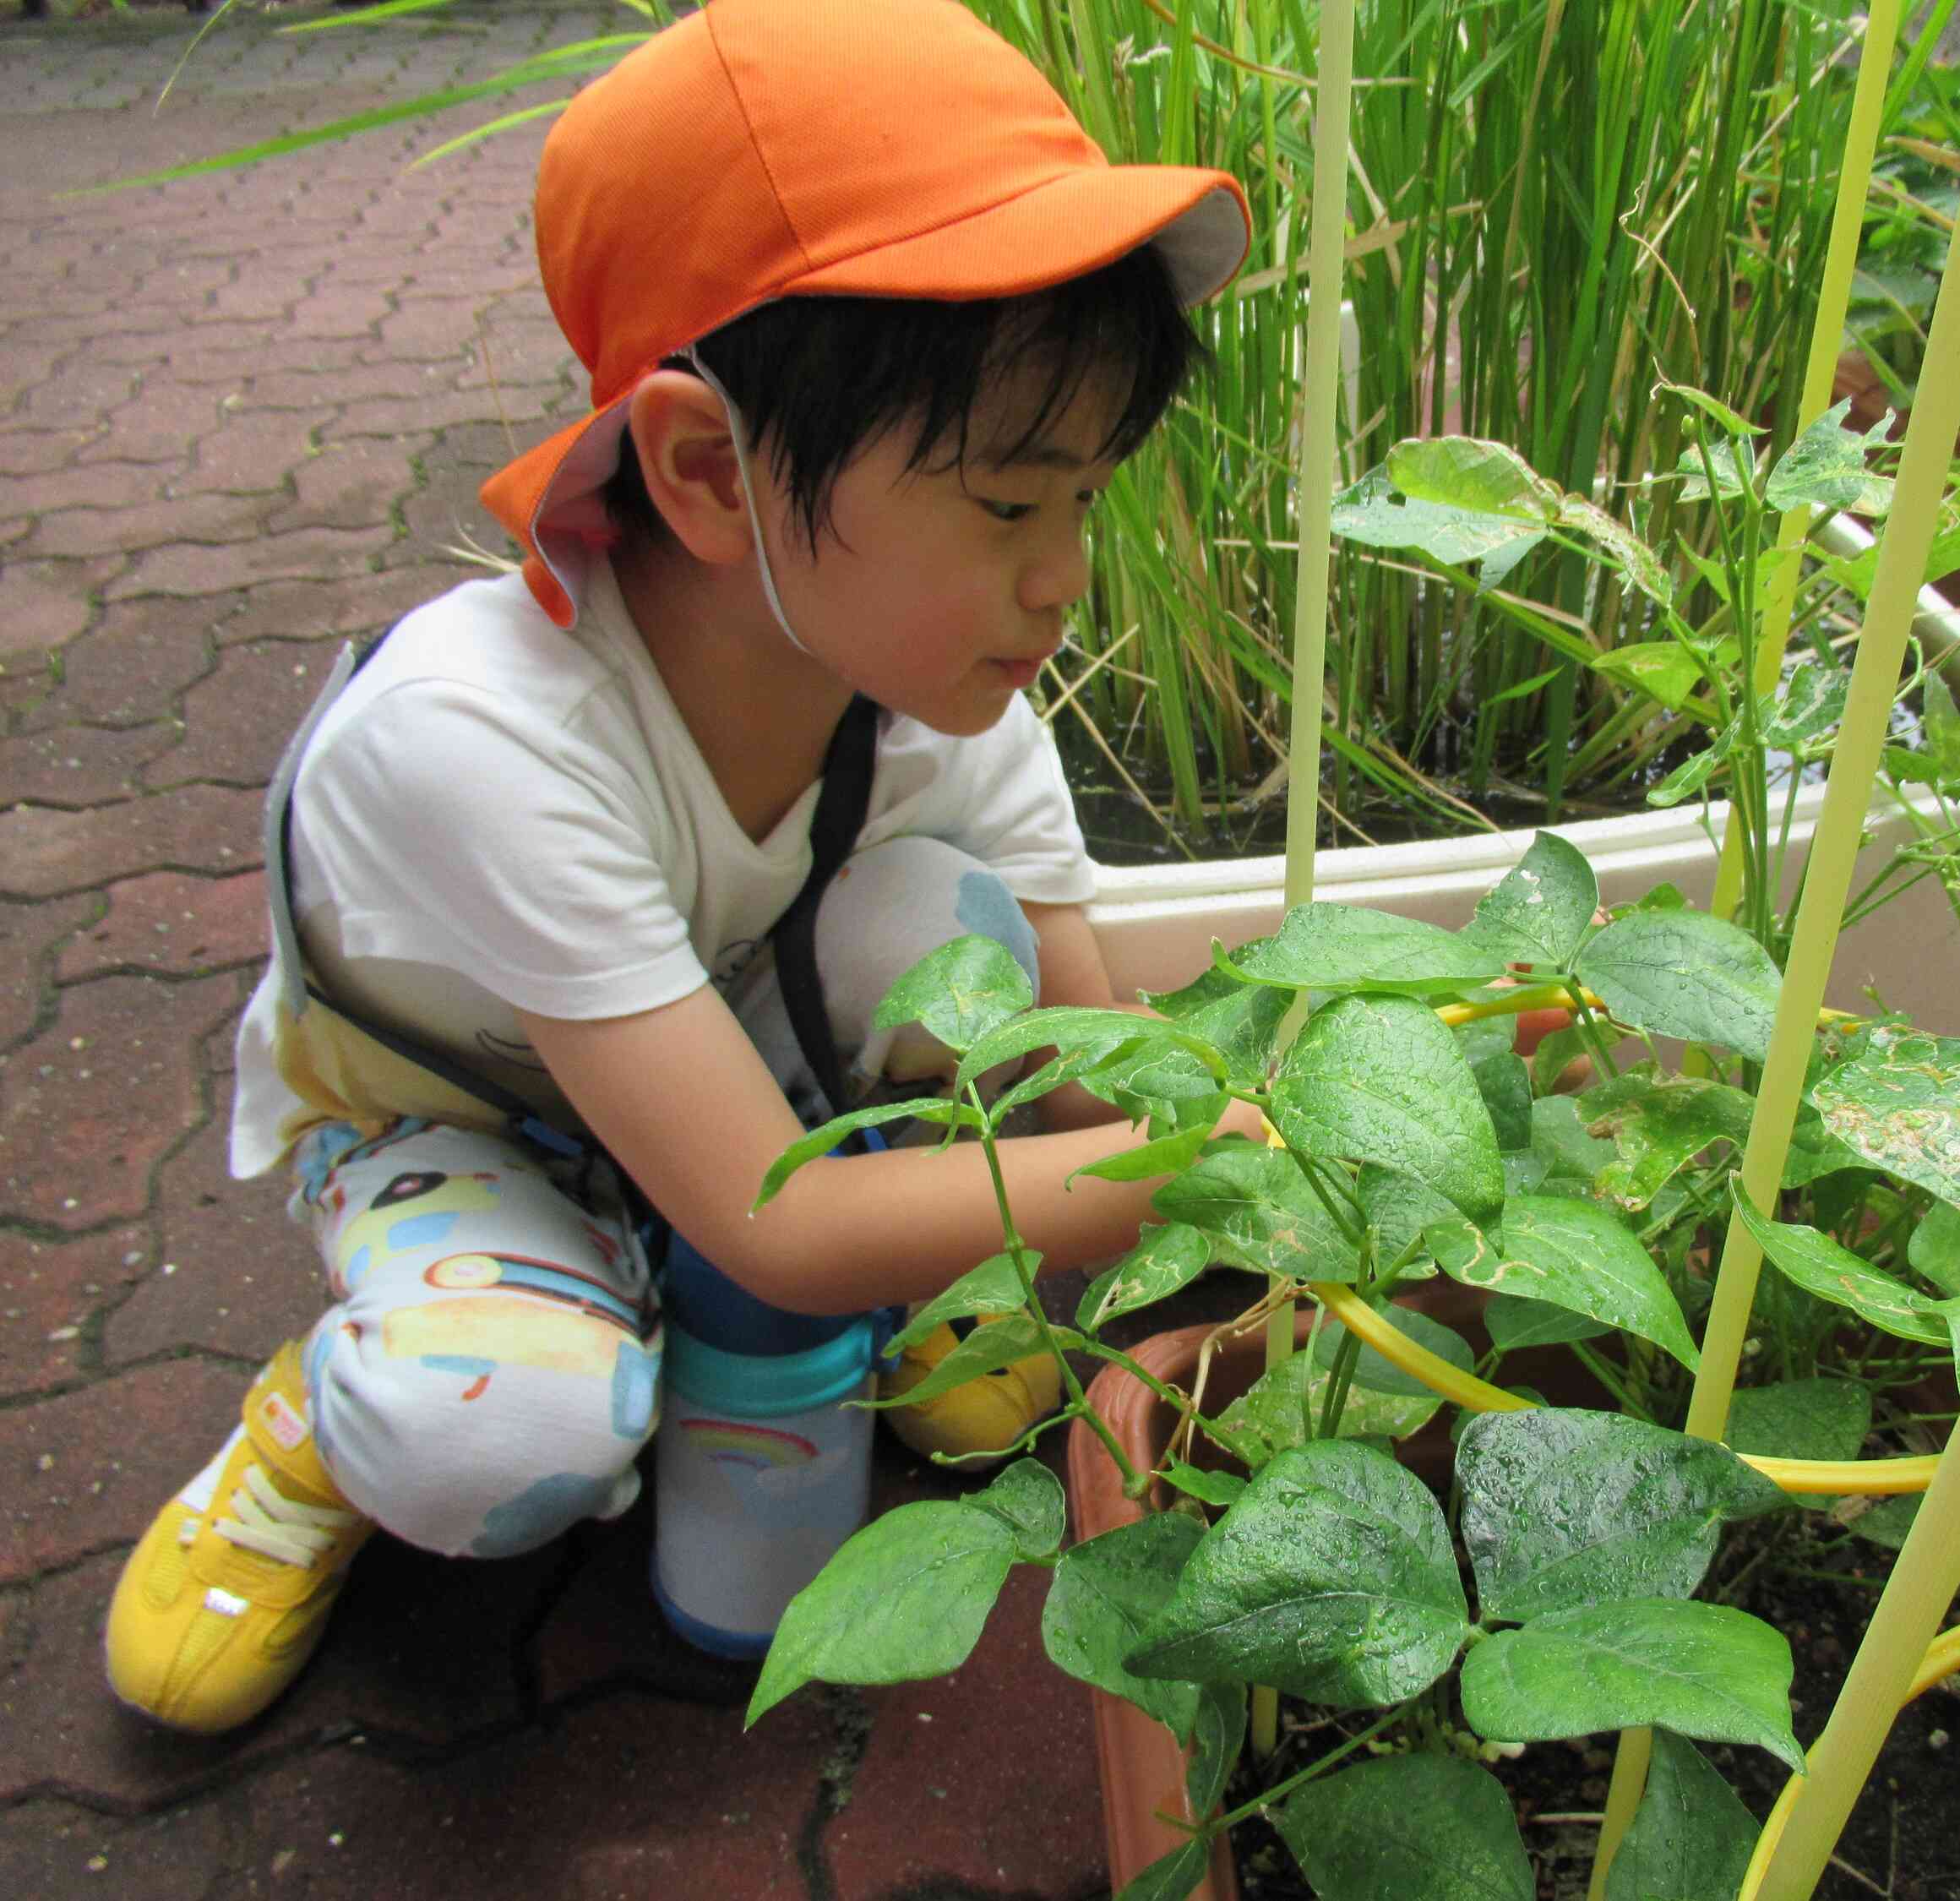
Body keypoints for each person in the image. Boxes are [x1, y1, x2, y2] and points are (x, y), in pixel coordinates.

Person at [104, 0, 1253, 1733]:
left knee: (961, 931)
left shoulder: (935, 677)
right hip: (476, 1124)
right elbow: (776, 1227)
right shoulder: (482, 739)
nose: (1064, 578)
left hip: (729, 1065)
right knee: (506, 1432)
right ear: (710, 470)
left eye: (1087, 500)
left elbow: (1084, 1056)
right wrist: (1222, 1170)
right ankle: (326, 1425)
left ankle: (804, 1332)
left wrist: (1356, 1111)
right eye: (1014, 507)